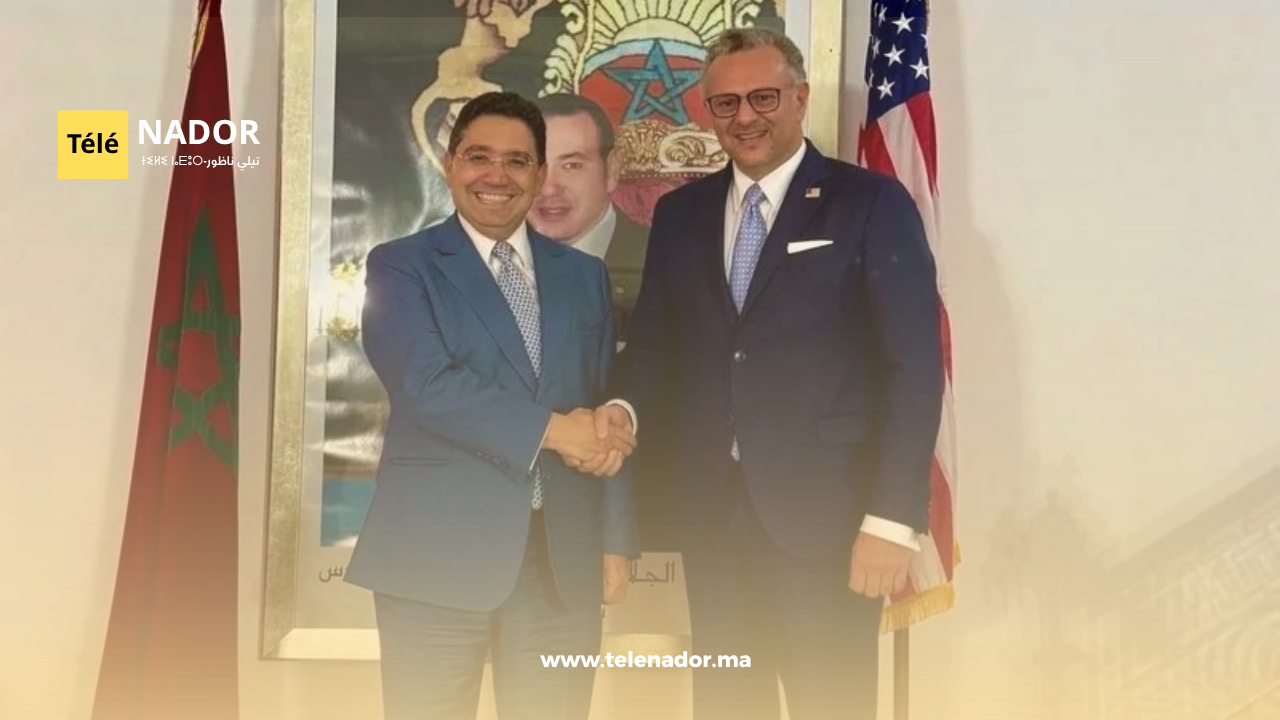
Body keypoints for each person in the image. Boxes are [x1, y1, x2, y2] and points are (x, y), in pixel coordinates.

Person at [594, 28, 945, 720]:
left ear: (800, 97)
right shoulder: (681, 214)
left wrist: (892, 519)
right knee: (727, 704)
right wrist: (623, 410)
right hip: (711, 517)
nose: (745, 117)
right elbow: (657, 343)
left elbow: (913, 367)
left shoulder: (869, 202)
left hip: (832, 520)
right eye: (726, 103)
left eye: (763, 97)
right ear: (708, 111)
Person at [345, 91, 640, 720]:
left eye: (517, 160)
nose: (496, 175)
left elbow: (600, 405)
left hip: (561, 564)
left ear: (538, 172)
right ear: (449, 164)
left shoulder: (582, 275)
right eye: (479, 157)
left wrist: (615, 538)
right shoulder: (402, 266)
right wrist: (556, 431)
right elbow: (427, 384)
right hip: (435, 557)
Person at [529, 93, 649, 344]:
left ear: (611, 170)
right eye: (535, 165)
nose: (548, 188)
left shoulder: (667, 263)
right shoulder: (487, 262)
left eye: (572, 165)